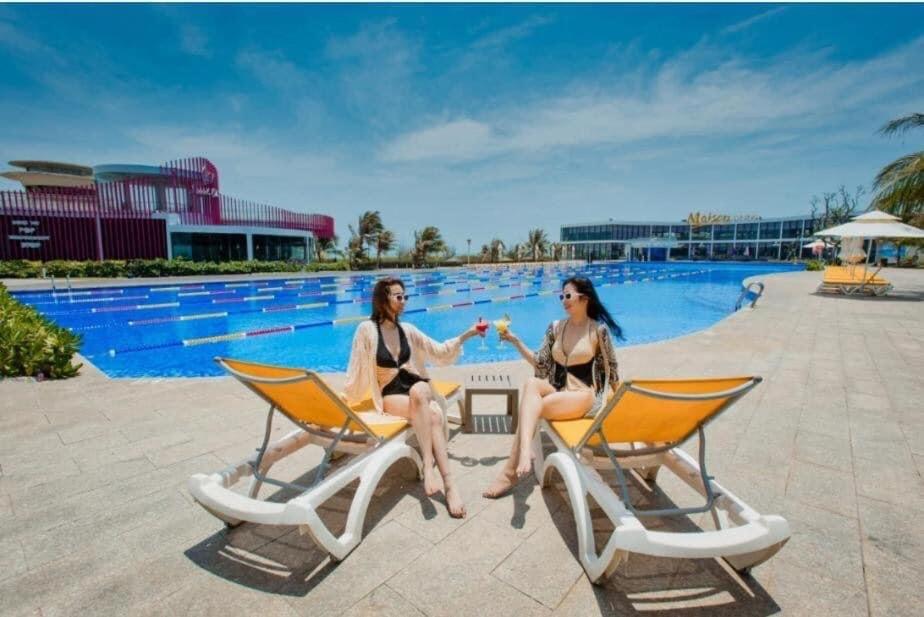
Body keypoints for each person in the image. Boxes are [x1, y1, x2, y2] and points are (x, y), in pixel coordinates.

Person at [343, 277, 484, 518]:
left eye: (405, 296)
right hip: (391, 394)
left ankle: (431, 468)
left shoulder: (407, 330)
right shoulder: (367, 330)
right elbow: (355, 369)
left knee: (420, 391)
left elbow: (439, 350)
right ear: (383, 299)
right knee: (434, 414)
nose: (404, 301)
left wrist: (468, 334)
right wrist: (345, 398)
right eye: (399, 296)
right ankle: (448, 484)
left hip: (415, 386)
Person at [483, 276, 622, 498]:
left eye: (568, 295)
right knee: (531, 385)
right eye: (561, 296)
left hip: (582, 395)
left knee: (532, 407)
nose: (563, 300)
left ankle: (510, 472)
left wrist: (622, 399)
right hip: (558, 389)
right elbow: (540, 363)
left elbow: (612, 369)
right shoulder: (556, 327)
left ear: (584, 298)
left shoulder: (598, 331)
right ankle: (525, 451)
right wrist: (515, 341)